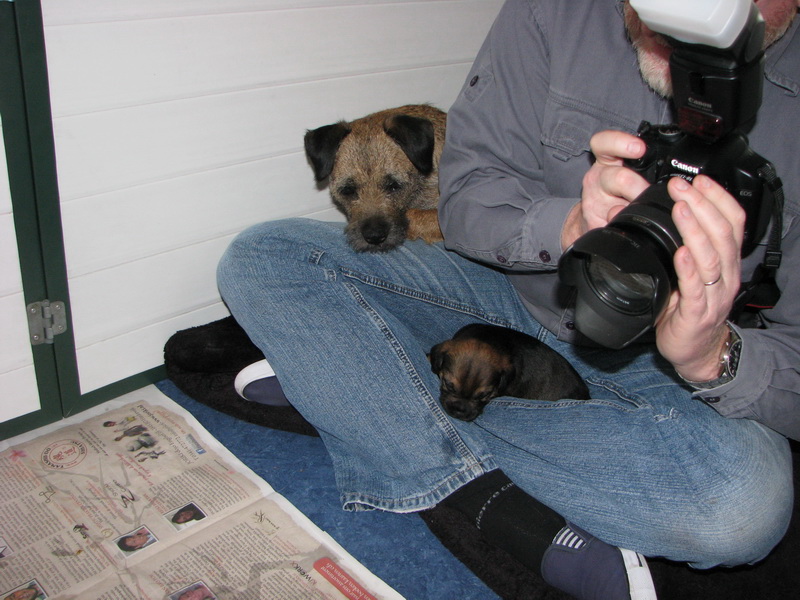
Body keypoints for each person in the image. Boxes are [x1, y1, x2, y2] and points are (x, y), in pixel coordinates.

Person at [217, 1, 799, 598]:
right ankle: (485, 498)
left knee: (741, 510)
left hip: (659, 356)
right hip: (508, 288)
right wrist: (566, 224)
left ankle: (352, 389)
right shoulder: (552, 11)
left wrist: (713, 355)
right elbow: (466, 194)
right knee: (262, 258)